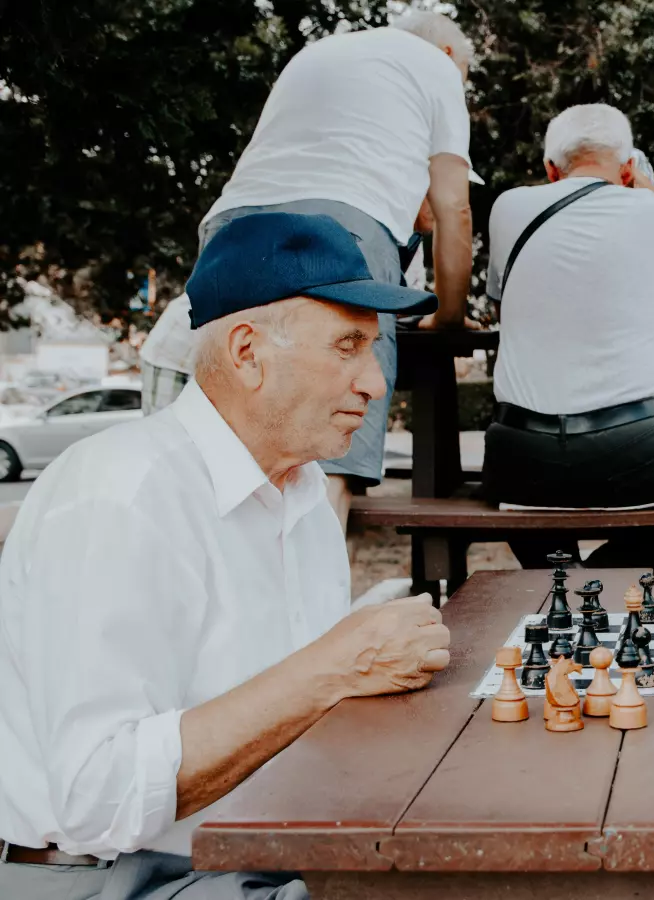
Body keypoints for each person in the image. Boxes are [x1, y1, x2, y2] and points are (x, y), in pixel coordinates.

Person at [0, 212, 452, 899]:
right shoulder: (121, 496)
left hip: (254, 856)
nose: (373, 382)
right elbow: (98, 799)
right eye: (348, 346)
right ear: (247, 353)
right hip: (110, 879)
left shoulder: (301, 495)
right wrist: (334, 668)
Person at [139, 10, 477, 532]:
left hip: (232, 224)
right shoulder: (436, 67)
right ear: (452, 57)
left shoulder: (321, 51)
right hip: (345, 227)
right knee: (333, 441)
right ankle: (315, 607)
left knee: (230, 443)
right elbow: (453, 207)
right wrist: (450, 318)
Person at [481, 103, 654, 568]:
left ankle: (557, 573)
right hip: (638, 446)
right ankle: (598, 580)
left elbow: (504, 303)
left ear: (550, 169)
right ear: (628, 168)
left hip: (519, 455)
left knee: (521, 482)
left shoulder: (507, 208)